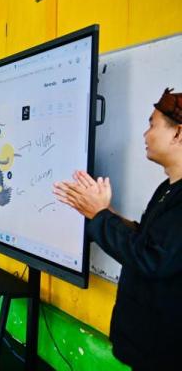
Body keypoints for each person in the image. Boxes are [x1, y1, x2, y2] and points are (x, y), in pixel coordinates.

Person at [53, 88, 182, 370]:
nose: (145, 134)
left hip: (166, 351)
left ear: (177, 134)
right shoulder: (168, 188)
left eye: (152, 125)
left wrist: (100, 216)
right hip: (147, 342)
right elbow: (147, 241)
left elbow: (152, 259)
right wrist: (103, 212)